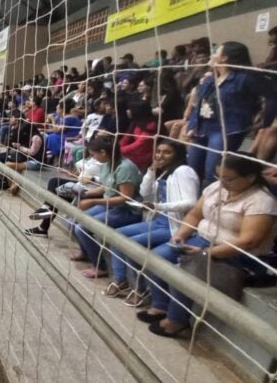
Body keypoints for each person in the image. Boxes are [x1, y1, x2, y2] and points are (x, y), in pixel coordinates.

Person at [139, 154, 277, 337]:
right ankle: (160, 306)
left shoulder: (262, 202)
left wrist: (207, 252)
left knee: (184, 272)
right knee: (157, 257)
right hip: (203, 240)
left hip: (238, 254)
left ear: (250, 177)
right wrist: (181, 234)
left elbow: (248, 241)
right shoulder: (215, 188)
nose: (222, 183)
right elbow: (195, 214)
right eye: (218, 177)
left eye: (228, 179)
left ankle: (177, 320)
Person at [105, 140, 199, 306]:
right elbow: (144, 192)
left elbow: (191, 202)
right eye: (158, 151)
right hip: (158, 221)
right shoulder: (164, 173)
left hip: (174, 226)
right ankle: (121, 280)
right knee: (117, 236)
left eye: (167, 152)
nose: (160, 155)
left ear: (177, 155)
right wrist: (151, 171)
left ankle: (140, 288)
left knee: (132, 244)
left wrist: (159, 206)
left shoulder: (184, 171)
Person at [186, 42, 277, 186]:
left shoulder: (245, 77)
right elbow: (201, 103)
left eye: (216, 52)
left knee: (212, 173)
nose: (212, 55)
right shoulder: (211, 79)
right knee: (192, 170)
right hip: (202, 129)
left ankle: (211, 199)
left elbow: (273, 96)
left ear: (225, 57)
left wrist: (266, 123)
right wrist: (193, 125)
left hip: (226, 130)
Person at [68, 135, 143, 278]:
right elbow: (106, 187)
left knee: (82, 227)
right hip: (110, 204)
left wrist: (94, 202)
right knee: (71, 221)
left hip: (126, 210)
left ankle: (100, 266)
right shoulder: (108, 164)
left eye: (94, 154)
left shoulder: (125, 168)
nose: (93, 158)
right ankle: (85, 252)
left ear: (103, 152)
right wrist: (86, 194)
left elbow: (124, 198)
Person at [119, 101, 159, 171]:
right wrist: (117, 147)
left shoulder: (152, 125)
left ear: (138, 110)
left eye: (130, 109)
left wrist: (120, 150)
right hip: (135, 151)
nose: (127, 111)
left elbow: (140, 143)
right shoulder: (135, 122)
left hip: (145, 155)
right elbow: (126, 138)